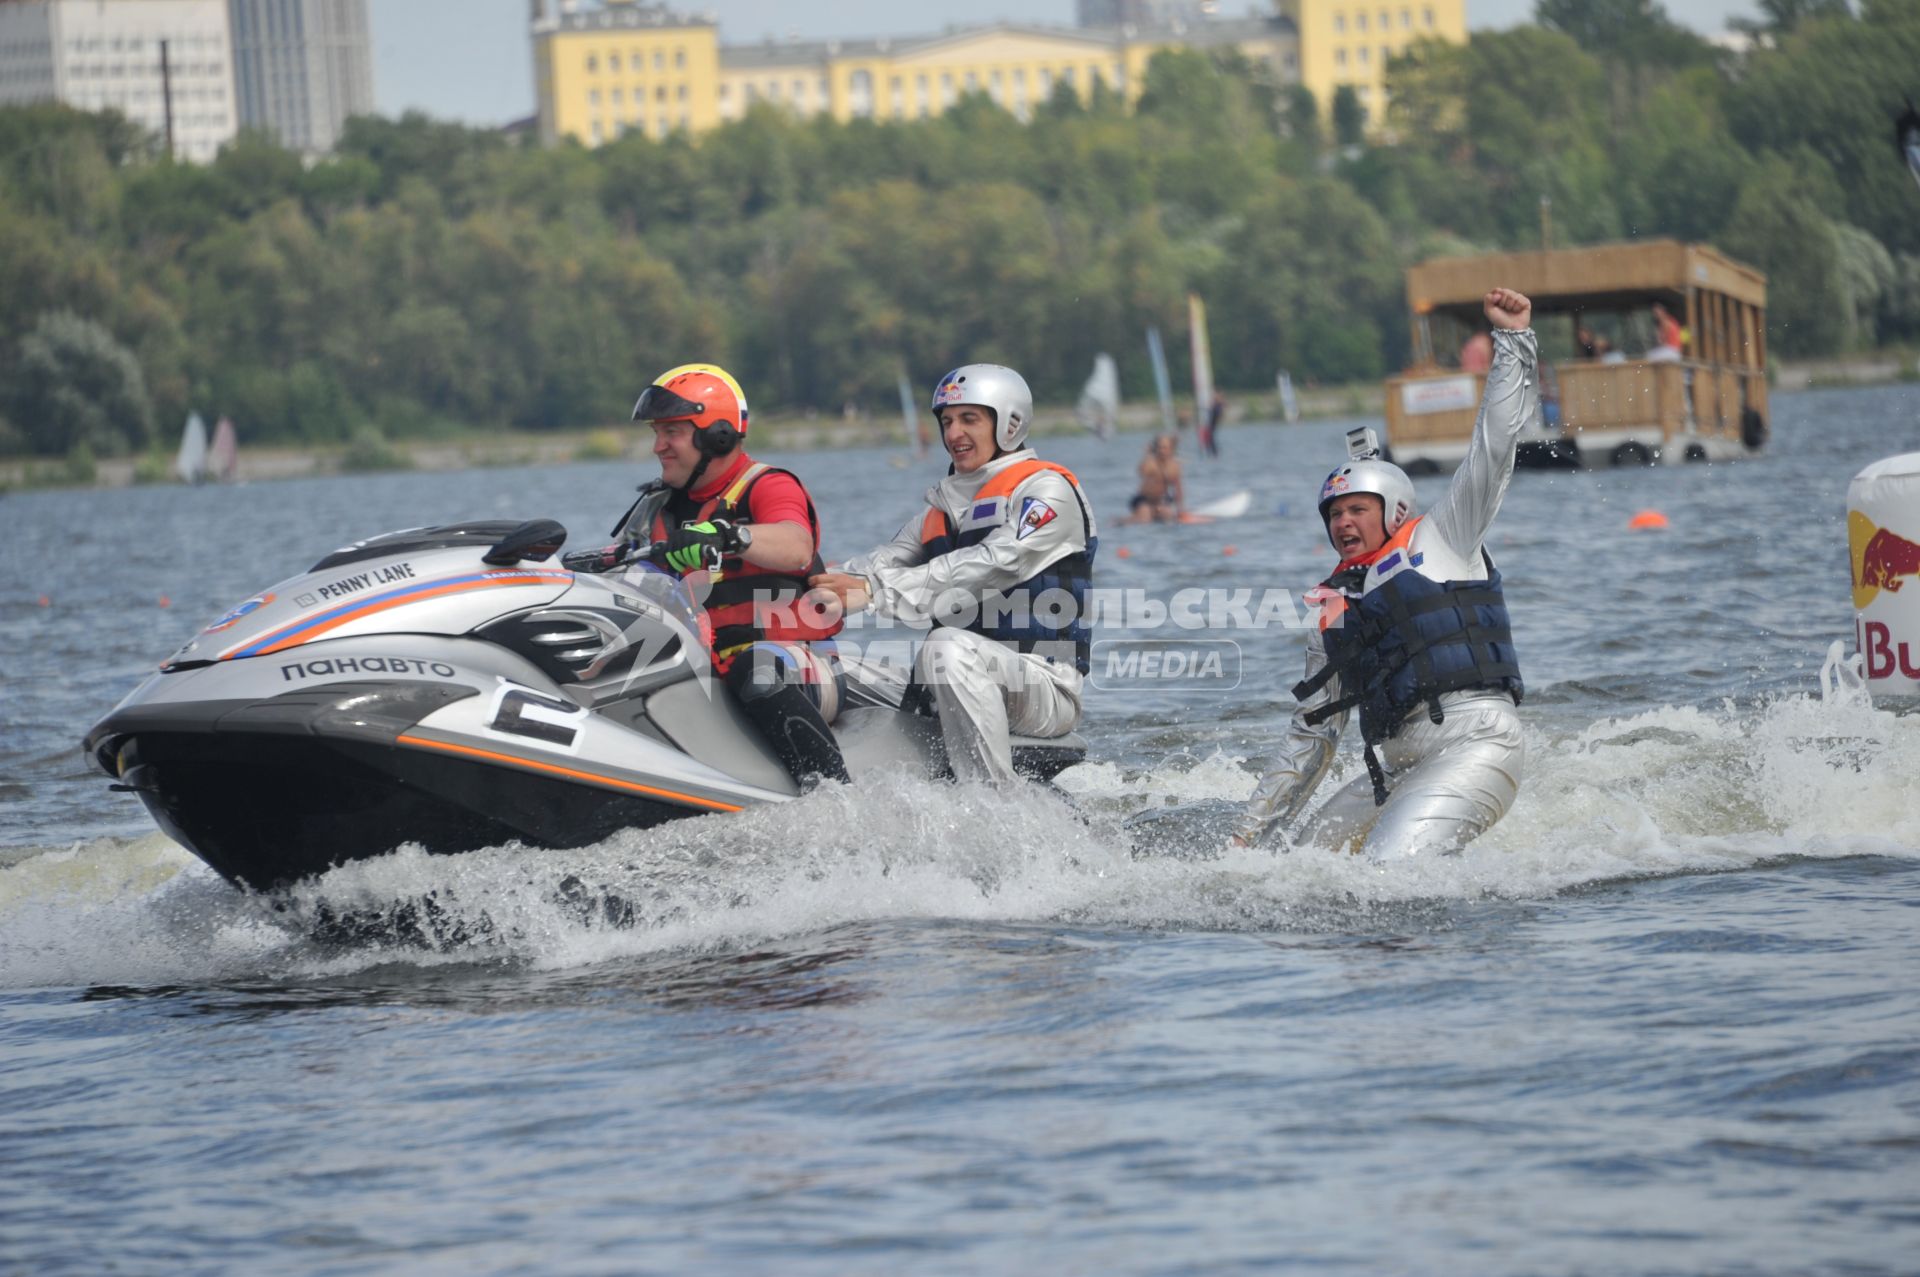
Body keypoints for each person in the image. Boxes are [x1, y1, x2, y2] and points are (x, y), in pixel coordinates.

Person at [1230, 288, 1537, 860]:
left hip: (1476, 744)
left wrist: (1514, 342)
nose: (1343, 523)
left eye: (1357, 510)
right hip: (1397, 770)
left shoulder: (1445, 536)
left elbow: (1493, 447)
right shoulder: (1332, 606)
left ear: (1394, 511)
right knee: (1301, 871)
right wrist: (1248, 836)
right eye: (1335, 514)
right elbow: (1312, 734)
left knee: (1385, 877)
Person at [808, 364, 1097, 786]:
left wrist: (872, 592)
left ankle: (993, 806)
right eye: (946, 421)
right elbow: (872, 567)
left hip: (1043, 687)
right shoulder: (940, 510)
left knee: (944, 648)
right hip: (951, 677)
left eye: (969, 419)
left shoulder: (1049, 493)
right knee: (802, 667)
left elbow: (990, 563)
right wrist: (795, 582)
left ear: (1010, 424)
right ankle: (810, 790)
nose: (953, 434)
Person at [609, 363, 851, 788]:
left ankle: (834, 799)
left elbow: (797, 546)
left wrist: (729, 535)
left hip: (796, 668)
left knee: (753, 669)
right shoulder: (655, 508)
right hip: (702, 673)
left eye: (672, 433)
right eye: (655, 433)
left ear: (716, 435)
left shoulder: (767, 485)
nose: (658, 446)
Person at [1124, 433, 1185, 524]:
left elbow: (1178, 490)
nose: (1162, 451)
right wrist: (1147, 455)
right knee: (1145, 518)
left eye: (1165, 448)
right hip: (1143, 500)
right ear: (1156, 449)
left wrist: (1180, 510)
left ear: (1171, 449)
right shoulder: (1150, 463)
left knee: (1169, 516)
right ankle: (1123, 521)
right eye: (1160, 448)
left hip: (1161, 501)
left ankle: (1155, 514)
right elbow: (1141, 471)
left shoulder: (1174, 467)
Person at [1201, 388, 1226, 458]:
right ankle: (1211, 453)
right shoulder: (1216, 403)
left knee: (1211, 438)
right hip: (1211, 422)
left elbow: (1218, 411)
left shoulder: (1219, 404)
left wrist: (1211, 406)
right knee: (1209, 439)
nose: (1214, 396)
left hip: (1213, 423)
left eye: (1215, 395)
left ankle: (1214, 454)